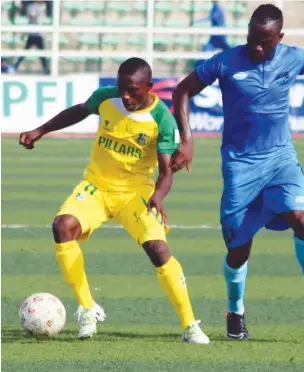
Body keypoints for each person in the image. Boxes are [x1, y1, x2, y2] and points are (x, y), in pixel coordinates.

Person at [171, 4, 304, 340]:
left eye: (265, 41)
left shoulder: (291, 57)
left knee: (302, 218)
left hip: (281, 159)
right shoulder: (225, 62)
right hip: (240, 167)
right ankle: (235, 310)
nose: (257, 46)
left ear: (279, 38)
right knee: (239, 247)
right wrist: (187, 139)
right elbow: (183, 90)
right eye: (253, 38)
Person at [19, 57, 210, 344]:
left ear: (149, 87)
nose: (125, 96)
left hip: (136, 192)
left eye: (132, 90)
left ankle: (189, 325)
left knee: (158, 249)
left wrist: (158, 196)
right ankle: (87, 308)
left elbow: (166, 170)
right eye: (122, 88)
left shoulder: (162, 119)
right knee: (63, 227)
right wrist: (40, 131)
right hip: (96, 186)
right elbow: (79, 111)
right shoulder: (107, 98)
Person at [14, 1, 50, 74]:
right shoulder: (32, 7)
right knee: (27, 52)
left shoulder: (41, 8)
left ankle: (46, 69)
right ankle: (15, 66)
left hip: (37, 34)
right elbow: (32, 17)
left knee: (41, 54)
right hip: (33, 34)